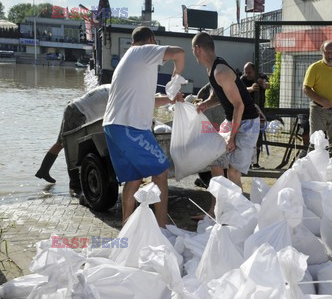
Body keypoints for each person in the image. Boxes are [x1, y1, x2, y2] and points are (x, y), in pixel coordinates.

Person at [103, 26, 185, 227]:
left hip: (113, 126)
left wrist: (170, 99)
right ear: (151, 39)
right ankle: (162, 228)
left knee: (133, 178)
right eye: (155, 43)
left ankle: (127, 229)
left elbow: (148, 100)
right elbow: (179, 53)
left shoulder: (129, 59)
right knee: (161, 171)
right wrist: (176, 76)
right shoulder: (143, 51)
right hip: (130, 127)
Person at [192, 32, 259, 216]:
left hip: (246, 122)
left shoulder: (220, 71)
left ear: (198, 49)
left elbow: (239, 105)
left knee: (233, 172)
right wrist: (205, 104)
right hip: (232, 120)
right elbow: (217, 95)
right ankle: (214, 211)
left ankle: (240, 216)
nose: (193, 53)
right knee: (216, 164)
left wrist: (232, 136)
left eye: (193, 50)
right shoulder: (211, 69)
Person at [35, 84, 111, 187]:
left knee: (62, 143)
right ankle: (74, 182)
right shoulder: (117, 95)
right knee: (71, 146)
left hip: (76, 109)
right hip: (77, 112)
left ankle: (43, 170)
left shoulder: (114, 89)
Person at [240, 62, 270, 169]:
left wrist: (262, 83)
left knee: (258, 137)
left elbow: (268, 85)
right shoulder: (242, 79)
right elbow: (240, 90)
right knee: (246, 137)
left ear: (255, 71)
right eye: (245, 72)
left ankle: (255, 162)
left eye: (249, 72)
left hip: (259, 112)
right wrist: (251, 89)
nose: (247, 74)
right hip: (246, 112)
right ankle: (246, 162)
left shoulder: (261, 76)